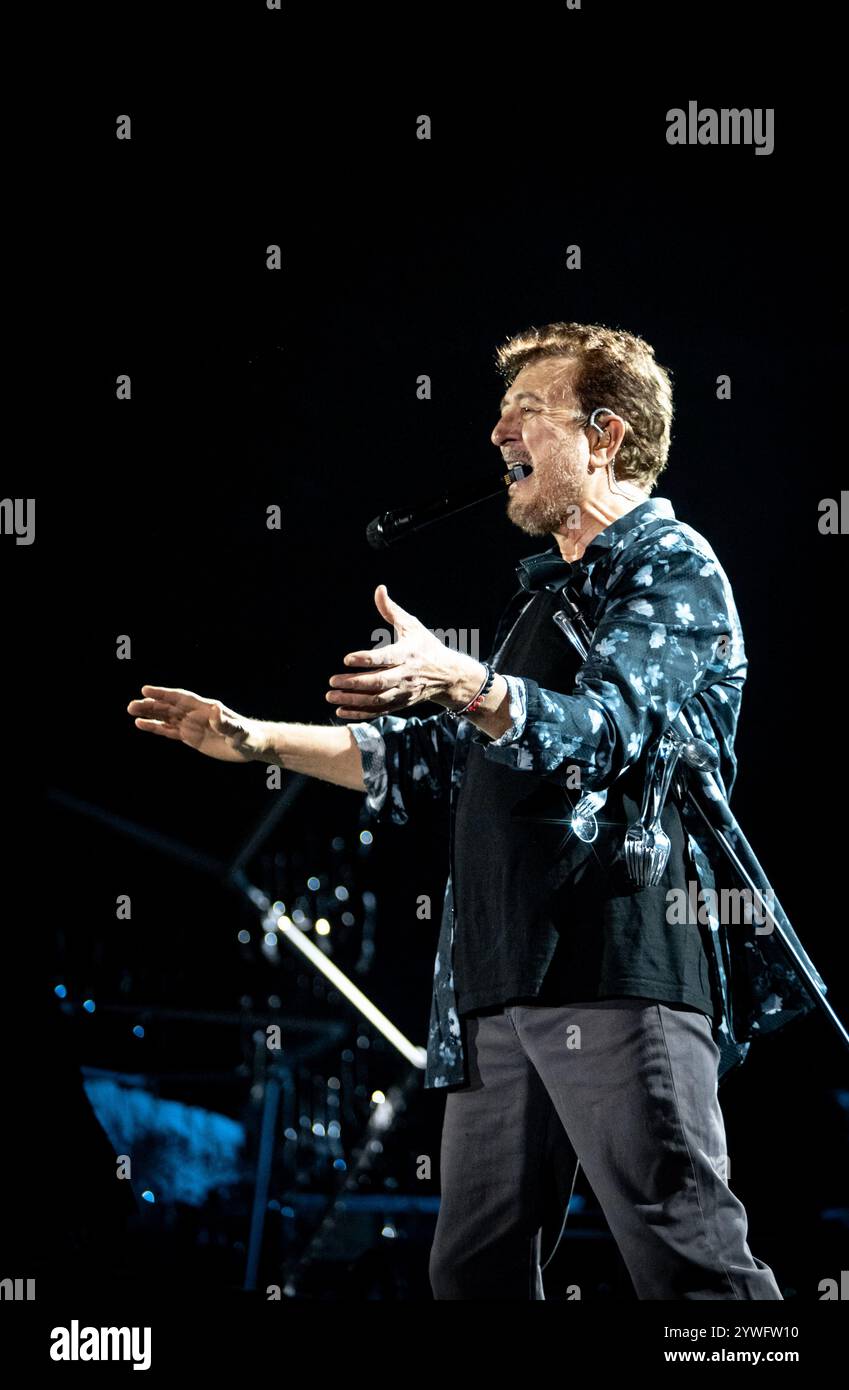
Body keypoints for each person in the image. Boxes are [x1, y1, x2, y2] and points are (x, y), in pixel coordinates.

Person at [128, 322, 782, 1300]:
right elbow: (435, 762)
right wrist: (257, 739)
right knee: (473, 1273)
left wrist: (466, 681)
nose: (497, 432)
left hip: (614, 962)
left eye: (528, 410)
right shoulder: (540, 602)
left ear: (603, 435)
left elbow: (605, 730)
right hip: (494, 981)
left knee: (687, 1257)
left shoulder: (668, 562)